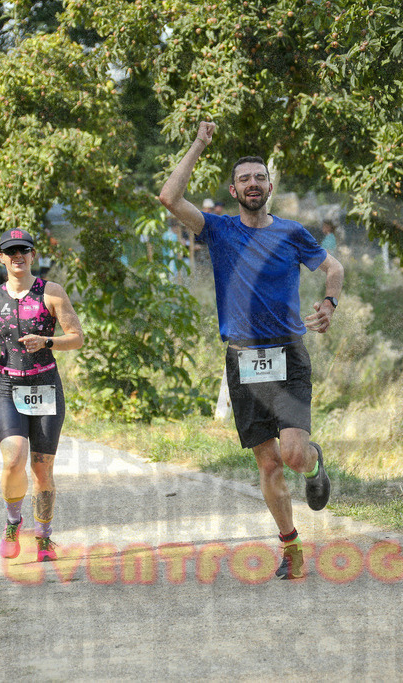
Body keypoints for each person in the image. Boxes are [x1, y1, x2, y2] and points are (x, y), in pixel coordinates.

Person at [159, 121, 344, 580]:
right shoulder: (218, 231)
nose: (253, 184)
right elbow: (168, 198)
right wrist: (200, 142)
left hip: (288, 353)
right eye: (244, 178)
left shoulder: (292, 233)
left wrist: (328, 304)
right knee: (268, 461)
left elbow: (333, 267)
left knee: (294, 456)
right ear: (234, 188)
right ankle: (291, 546)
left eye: (259, 177)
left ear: (270, 185)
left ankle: (314, 461)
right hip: (243, 358)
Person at [0, 228, 85, 563]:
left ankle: (44, 538)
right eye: (11, 251)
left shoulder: (51, 293)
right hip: (8, 386)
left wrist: (46, 341)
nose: (17, 256)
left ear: (33, 254)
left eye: (23, 250)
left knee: (41, 469)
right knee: (13, 458)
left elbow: (77, 337)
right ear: (1, 257)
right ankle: (12, 524)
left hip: (45, 385)